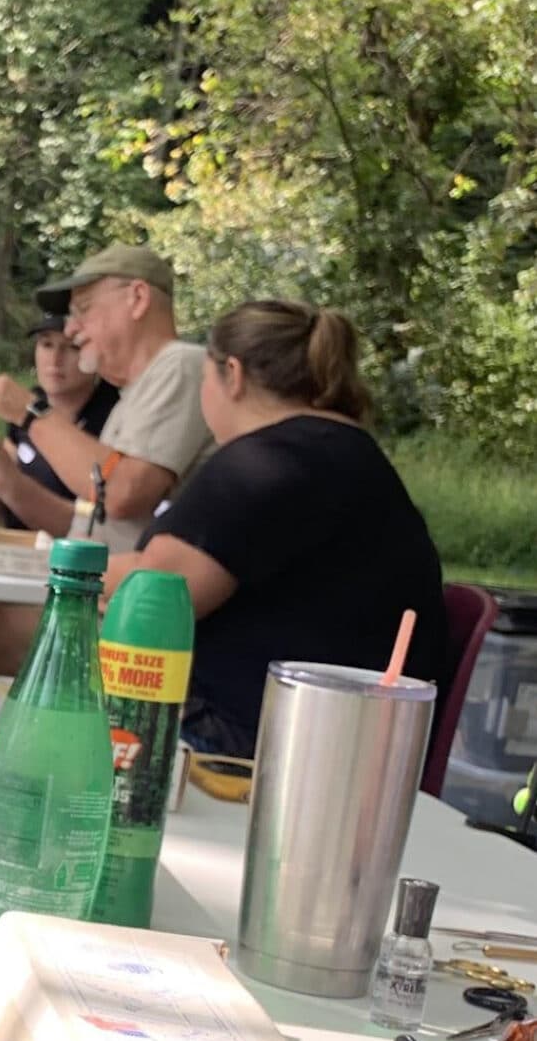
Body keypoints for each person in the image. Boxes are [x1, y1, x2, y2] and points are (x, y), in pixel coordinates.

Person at [109, 300, 446, 754]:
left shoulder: (264, 461)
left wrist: (69, 570)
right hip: (353, 744)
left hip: (252, 744)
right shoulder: (346, 455)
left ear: (232, 373)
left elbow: (156, 600)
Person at [0, 244, 212, 710]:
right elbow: (97, 523)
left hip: (133, 622)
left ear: (138, 298)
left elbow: (120, 494)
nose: (72, 329)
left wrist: (29, 411)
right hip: (107, 596)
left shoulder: (180, 366)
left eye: (82, 311)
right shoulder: (138, 392)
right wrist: (4, 479)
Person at [0, 314, 116, 526]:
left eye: (72, 347)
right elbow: (9, 516)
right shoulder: (24, 406)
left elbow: (99, 526)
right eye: (46, 344)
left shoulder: (113, 416)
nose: (55, 360)